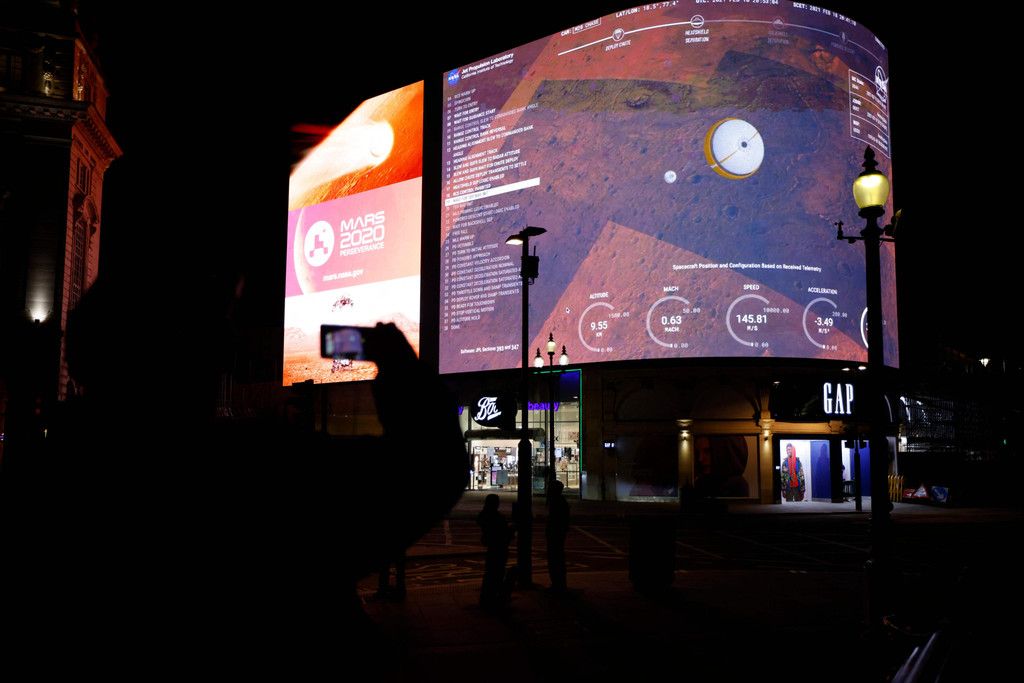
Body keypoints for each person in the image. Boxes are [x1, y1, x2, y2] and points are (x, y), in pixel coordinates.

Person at [477, 493, 513, 610]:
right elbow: (504, 533)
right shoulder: (497, 517)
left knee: (490, 573)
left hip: (492, 548)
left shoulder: (484, 515)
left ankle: (487, 597)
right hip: (499, 548)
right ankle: (494, 597)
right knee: (497, 573)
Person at [545, 479, 570, 592]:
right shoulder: (560, 501)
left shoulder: (557, 502)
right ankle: (558, 583)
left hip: (555, 534)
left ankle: (558, 584)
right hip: (558, 534)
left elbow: (556, 520)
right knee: (557, 558)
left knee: (555, 559)